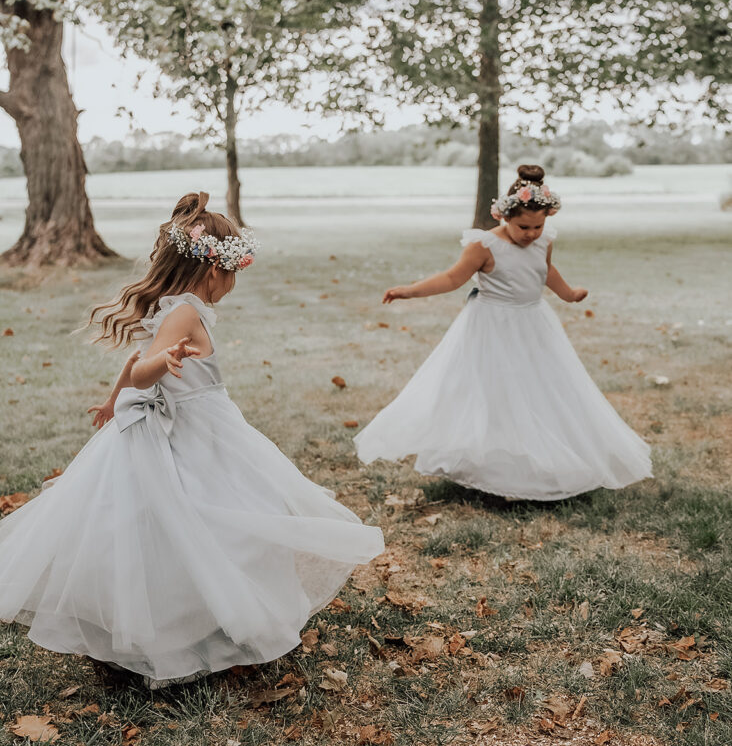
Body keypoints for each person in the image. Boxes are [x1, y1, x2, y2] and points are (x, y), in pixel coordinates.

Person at [0, 193, 384, 687]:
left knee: (181, 520)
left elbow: (129, 364)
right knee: (208, 518)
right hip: (191, 429)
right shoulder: (185, 313)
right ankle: (192, 626)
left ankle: (191, 617)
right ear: (212, 271)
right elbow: (142, 367)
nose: (233, 283)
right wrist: (157, 368)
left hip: (191, 422)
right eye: (233, 271)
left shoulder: (173, 308)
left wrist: (111, 398)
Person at [354, 165, 652, 501]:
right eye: (523, 226)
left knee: (539, 390)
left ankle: (540, 462)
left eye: (538, 226)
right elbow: (452, 279)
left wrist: (568, 294)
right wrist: (409, 291)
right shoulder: (484, 245)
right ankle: (494, 469)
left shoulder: (544, 241)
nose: (531, 234)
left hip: (534, 324)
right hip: (491, 326)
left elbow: (545, 271)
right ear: (504, 215)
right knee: (494, 391)